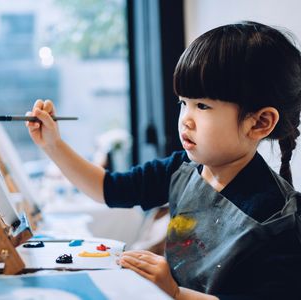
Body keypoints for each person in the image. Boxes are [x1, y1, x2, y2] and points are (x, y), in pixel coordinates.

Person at [26, 21, 301, 299]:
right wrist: (53, 144)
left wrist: (176, 293)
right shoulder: (181, 168)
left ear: (260, 123)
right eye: (184, 103)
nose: (186, 120)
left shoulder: (278, 221)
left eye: (203, 106)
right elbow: (107, 188)